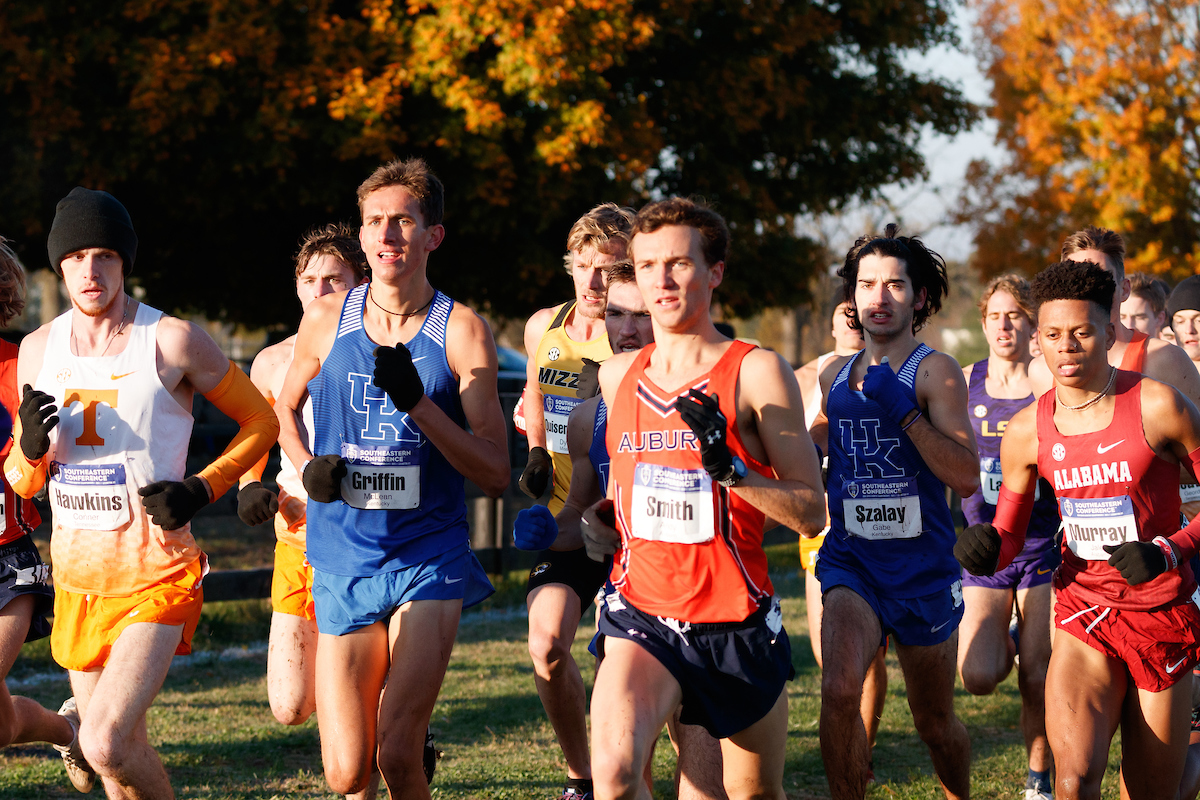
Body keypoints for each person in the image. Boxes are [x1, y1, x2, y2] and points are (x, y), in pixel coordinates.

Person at [4, 187, 279, 797]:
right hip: (77, 581)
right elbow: (24, 483)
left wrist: (199, 488)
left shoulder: (172, 340)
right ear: (60, 266)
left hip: (157, 575)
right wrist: (27, 451)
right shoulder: (36, 350)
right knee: (115, 757)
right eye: (76, 258)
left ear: (125, 262)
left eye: (105, 255)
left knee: (101, 741)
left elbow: (264, 423)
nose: (90, 270)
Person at [275, 158, 508, 798]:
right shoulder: (326, 319)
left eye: (403, 221)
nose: (387, 236)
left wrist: (421, 407)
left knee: (399, 753)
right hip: (342, 554)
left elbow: (494, 470)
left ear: (433, 235)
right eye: (375, 222)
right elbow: (284, 407)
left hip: (427, 551)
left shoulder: (462, 332)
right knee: (347, 772)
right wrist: (306, 466)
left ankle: (410, 744)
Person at [581, 197, 825, 800]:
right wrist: (602, 518)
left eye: (679, 263)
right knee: (612, 777)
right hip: (643, 612)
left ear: (714, 272)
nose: (662, 280)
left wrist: (732, 470)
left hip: (734, 624)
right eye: (647, 266)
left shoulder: (757, 371)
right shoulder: (617, 378)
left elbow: (811, 511)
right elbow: (630, 485)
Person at [955, 259, 1200, 800]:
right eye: (1053, 334)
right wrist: (986, 548)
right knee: (1073, 778)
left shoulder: (1158, 406)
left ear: (1109, 332)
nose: (1066, 347)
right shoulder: (1027, 429)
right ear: (1037, 339)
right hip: (1083, 608)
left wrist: (1168, 550)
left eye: (1082, 332)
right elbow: (1009, 535)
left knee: (1151, 791)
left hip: (1159, 610)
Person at [520, 261, 727, 800]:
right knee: (624, 767)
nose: (627, 328)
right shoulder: (591, 414)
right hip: (628, 595)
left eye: (640, 314)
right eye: (615, 313)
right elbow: (586, 515)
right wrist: (551, 528)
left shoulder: (712, 392)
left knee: (705, 775)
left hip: (704, 595)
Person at [811, 226, 977, 800]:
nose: (878, 298)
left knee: (935, 727)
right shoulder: (834, 374)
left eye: (894, 285)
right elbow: (816, 444)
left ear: (920, 298)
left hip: (921, 571)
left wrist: (903, 413)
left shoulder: (936, 372)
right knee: (838, 690)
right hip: (852, 560)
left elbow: (965, 474)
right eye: (866, 285)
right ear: (852, 298)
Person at [233, 224, 385, 794]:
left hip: (364, 541)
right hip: (295, 537)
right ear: (296, 287)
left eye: (335, 279)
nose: (321, 290)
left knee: (351, 700)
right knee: (290, 704)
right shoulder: (271, 362)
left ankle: (374, 746)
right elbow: (256, 436)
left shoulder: (377, 350)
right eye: (310, 279)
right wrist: (252, 486)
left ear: (359, 283)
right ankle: (377, 731)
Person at [516, 203, 633, 800]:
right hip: (565, 513)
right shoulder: (543, 327)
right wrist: (537, 450)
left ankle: (635, 771)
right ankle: (580, 775)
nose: (593, 282)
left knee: (633, 666)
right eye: (583, 267)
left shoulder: (637, 336)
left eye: (608, 270)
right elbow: (534, 392)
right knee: (548, 644)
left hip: (630, 524)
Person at [956, 275, 1058, 800]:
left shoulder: (1048, 387)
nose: (1003, 324)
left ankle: (1038, 780)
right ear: (983, 322)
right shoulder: (965, 380)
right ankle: (1018, 637)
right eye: (995, 315)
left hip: (1041, 544)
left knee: (1037, 679)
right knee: (977, 675)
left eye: (1015, 315)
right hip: (985, 550)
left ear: (1033, 325)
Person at [0, 238, 81, 783]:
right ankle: (70, 732)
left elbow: (37, 465)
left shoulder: (19, 367)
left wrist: (28, 444)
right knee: (1, 727)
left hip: (8, 560)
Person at [793, 302, 887, 765]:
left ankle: (860, 754)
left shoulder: (897, 368)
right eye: (844, 311)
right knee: (828, 650)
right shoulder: (801, 376)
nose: (853, 317)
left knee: (868, 654)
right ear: (829, 322)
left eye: (860, 310)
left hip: (878, 522)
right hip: (820, 525)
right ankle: (850, 743)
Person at [1120, 273, 1168, 339]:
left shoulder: (1171, 349)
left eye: (1139, 317)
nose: (1129, 326)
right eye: (1121, 317)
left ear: (1159, 319)